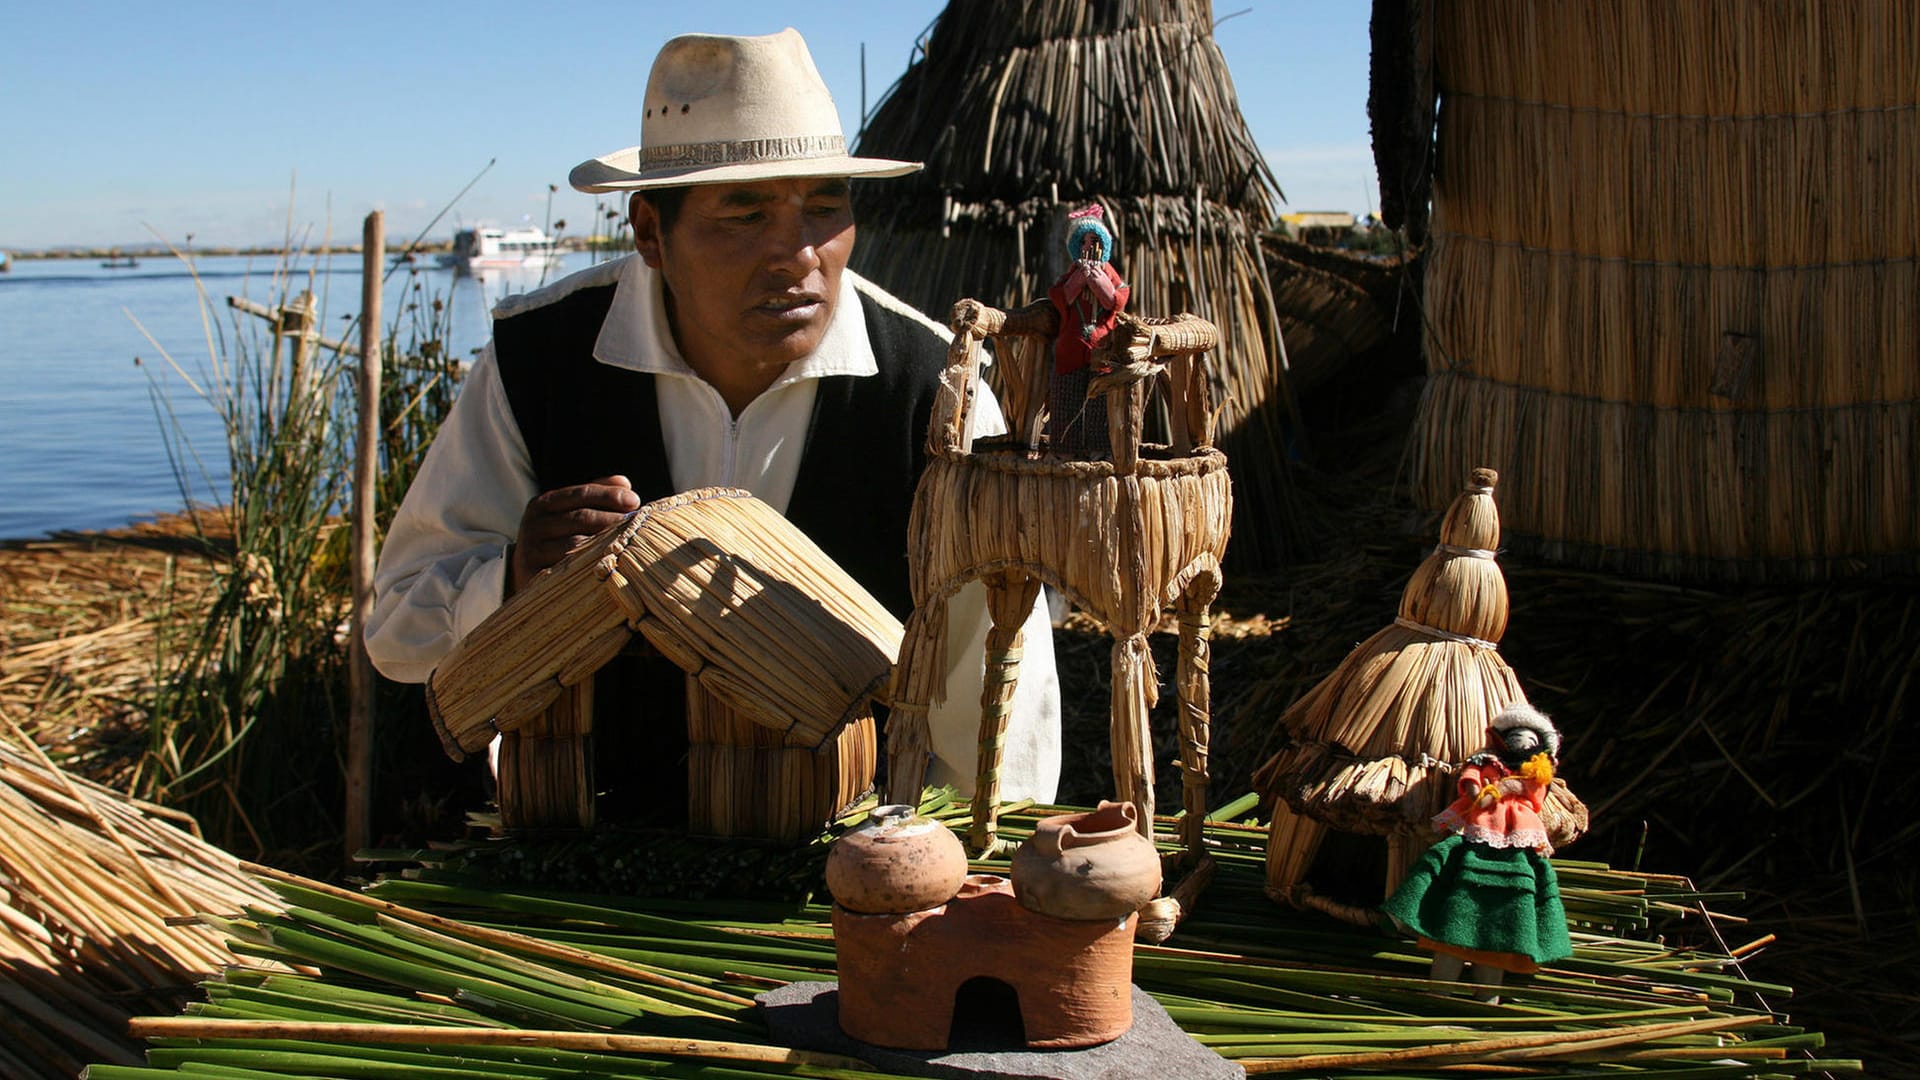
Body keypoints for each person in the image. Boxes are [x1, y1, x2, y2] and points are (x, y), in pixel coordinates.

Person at [366, 27, 1060, 816]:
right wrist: (515, 583)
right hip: (587, 846)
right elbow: (396, 632)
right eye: (745, 213)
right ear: (650, 232)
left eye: (824, 206)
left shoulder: (936, 390)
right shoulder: (542, 358)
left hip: (849, 856)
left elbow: (1006, 673)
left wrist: (952, 859)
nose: (797, 252)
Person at [1381, 703, 1573, 1003]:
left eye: (1530, 739)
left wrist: (1508, 787)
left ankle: (1486, 999)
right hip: (1477, 831)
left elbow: (1536, 796)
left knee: (1495, 940)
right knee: (1454, 915)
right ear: (1502, 738)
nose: (1522, 743)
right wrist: (1477, 791)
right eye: (1516, 736)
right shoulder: (1487, 761)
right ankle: (1439, 992)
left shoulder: (1535, 773)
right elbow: (1470, 780)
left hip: (1515, 841)